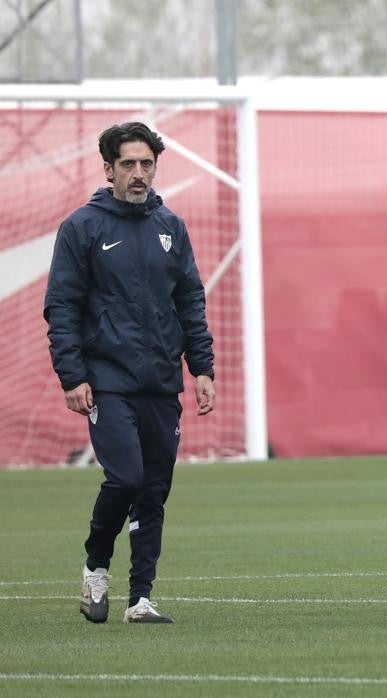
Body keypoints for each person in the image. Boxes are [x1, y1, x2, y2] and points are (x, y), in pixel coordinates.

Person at [45, 122, 216, 624]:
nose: (138, 174)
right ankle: (96, 568)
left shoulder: (171, 227)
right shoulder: (83, 227)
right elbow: (62, 305)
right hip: (108, 379)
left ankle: (140, 599)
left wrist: (201, 367)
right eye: (128, 164)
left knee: (154, 488)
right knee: (126, 477)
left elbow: (189, 300)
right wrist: (72, 375)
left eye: (146, 164)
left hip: (161, 379)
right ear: (109, 169)